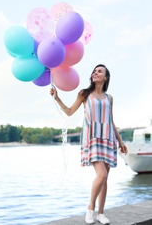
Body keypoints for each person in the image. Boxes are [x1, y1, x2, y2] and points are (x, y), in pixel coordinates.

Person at [50, 64, 127, 225]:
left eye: (99, 71)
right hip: (92, 138)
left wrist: (120, 141)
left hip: (108, 138)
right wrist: (56, 97)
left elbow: (110, 121)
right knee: (102, 175)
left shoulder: (109, 98)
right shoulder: (84, 94)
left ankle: (101, 213)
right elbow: (69, 111)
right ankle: (90, 209)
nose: (95, 73)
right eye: (94, 71)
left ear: (105, 77)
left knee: (105, 179)